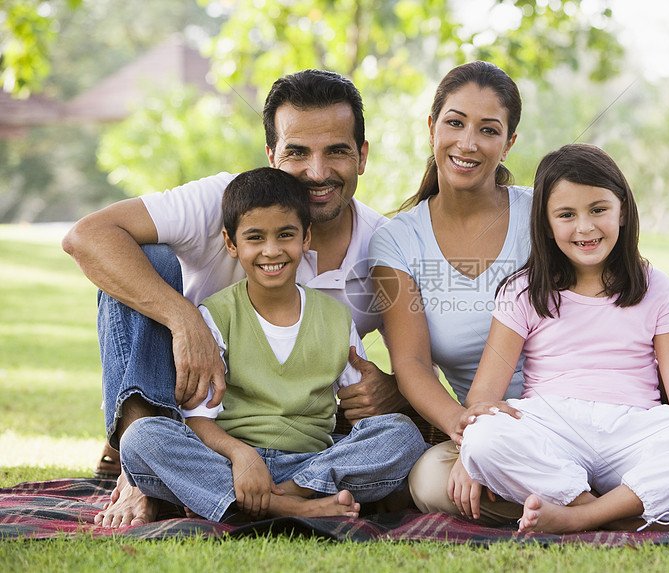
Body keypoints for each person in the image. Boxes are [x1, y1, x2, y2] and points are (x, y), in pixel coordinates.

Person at [369, 61, 669, 529]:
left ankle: (615, 508)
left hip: (631, 424)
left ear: (509, 143)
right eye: (455, 122)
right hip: (526, 432)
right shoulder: (400, 241)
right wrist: (468, 437)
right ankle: (613, 510)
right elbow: (414, 367)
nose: (468, 142)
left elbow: (627, 325)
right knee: (433, 483)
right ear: (431, 127)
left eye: (488, 129)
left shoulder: (549, 210)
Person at [62, 69, 409, 528]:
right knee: (141, 257)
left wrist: (394, 390)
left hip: (301, 445)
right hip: (195, 417)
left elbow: (422, 362)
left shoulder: (386, 247)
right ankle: (137, 473)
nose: (318, 172)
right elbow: (87, 237)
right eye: (297, 152)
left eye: (337, 151)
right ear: (270, 155)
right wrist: (185, 320)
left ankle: (271, 494)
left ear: (362, 156)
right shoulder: (225, 200)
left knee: (399, 437)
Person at [456, 143, 669, 533]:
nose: (585, 227)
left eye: (598, 210)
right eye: (566, 215)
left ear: (623, 211)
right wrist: (470, 453)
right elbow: (482, 398)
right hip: (553, 424)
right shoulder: (522, 291)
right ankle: (619, 515)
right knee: (484, 438)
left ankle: (579, 518)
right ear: (546, 225)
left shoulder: (658, 289)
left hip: (635, 429)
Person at [119, 167, 424, 522]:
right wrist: (241, 456)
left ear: (305, 238)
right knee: (142, 437)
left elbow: (365, 413)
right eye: (255, 238)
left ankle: (286, 495)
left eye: (285, 235)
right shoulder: (215, 316)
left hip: (311, 465)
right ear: (232, 243)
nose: (271, 250)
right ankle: (286, 507)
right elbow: (197, 419)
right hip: (230, 464)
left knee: (401, 435)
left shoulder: (337, 320)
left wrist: (312, 474)